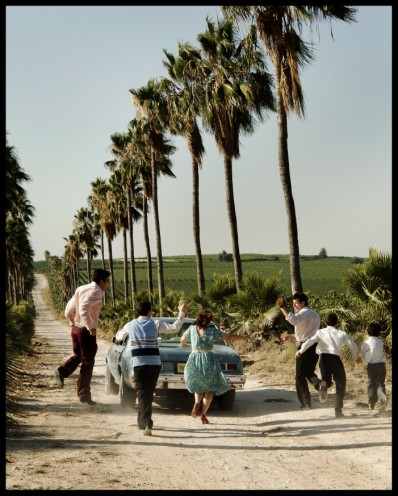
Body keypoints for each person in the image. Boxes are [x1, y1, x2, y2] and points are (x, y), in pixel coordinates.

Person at [115, 299, 188, 436]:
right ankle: (144, 420)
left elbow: (119, 337)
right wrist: (181, 313)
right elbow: (175, 328)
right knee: (148, 392)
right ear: (149, 312)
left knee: (143, 392)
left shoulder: (130, 325)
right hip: (154, 365)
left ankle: (146, 422)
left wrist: (118, 335)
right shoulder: (155, 323)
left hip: (139, 364)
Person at [180, 309, 253, 425]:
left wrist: (184, 344)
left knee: (198, 386)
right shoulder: (212, 330)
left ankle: (196, 404)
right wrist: (246, 337)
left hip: (194, 358)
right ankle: (203, 414)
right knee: (210, 389)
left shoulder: (191, 329)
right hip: (208, 359)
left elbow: (182, 340)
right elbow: (228, 337)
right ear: (207, 321)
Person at [55, 268, 111, 405]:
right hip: (85, 331)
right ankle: (84, 395)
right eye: (108, 281)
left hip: (76, 329)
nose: (108, 284)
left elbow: (69, 307)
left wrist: (71, 320)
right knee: (88, 362)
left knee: (78, 356)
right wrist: (90, 326)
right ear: (102, 281)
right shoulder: (97, 291)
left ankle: (62, 371)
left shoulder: (82, 288)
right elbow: (83, 308)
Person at [296, 311, 360, 418]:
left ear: (325, 323)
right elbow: (352, 345)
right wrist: (356, 357)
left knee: (326, 378)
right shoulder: (341, 333)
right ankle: (338, 411)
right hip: (336, 359)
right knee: (341, 382)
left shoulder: (320, 332)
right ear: (337, 322)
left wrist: (301, 351)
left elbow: (310, 341)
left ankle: (324, 385)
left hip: (324, 358)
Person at [276, 292, 321, 410]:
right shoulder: (315, 314)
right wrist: (292, 336)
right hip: (315, 346)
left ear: (303, 303)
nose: (295, 305)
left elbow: (293, 320)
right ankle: (320, 385)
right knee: (308, 371)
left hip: (305, 347)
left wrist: (282, 307)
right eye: (293, 303)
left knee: (299, 376)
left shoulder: (303, 313)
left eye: (296, 303)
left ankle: (306, 403)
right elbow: (307, 332)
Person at [360, 322, 388, 412]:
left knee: (371, 383)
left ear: (368, 332)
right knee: (380, 384)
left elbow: (363, 355)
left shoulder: (366, 343)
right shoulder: (381, 342)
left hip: (371, 366)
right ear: (379, 332)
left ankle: (371, 403)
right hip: (381, 365)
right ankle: (383, 399)